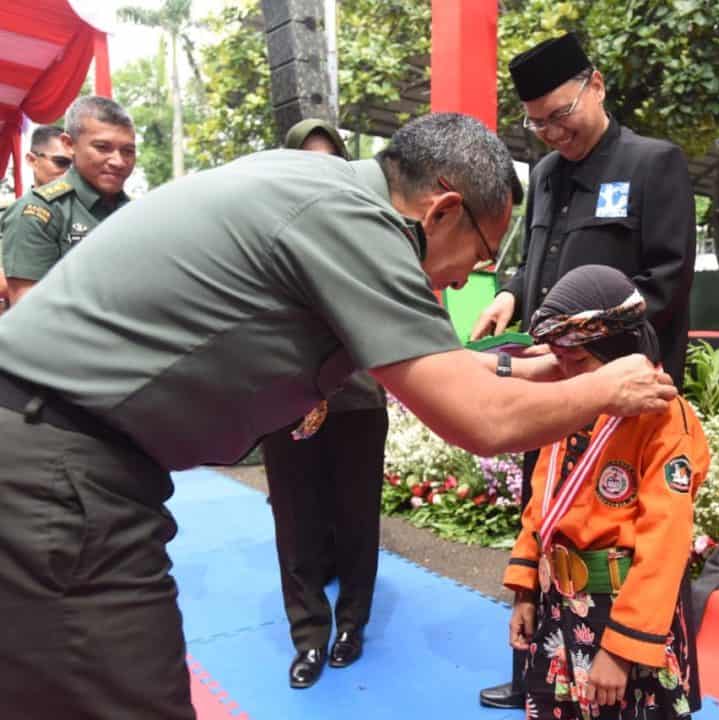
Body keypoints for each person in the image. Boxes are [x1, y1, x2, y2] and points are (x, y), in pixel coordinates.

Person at [0, 112, 675, 720]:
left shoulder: (323, 192)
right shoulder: (358, 224)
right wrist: (609, 388)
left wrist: (545, 369)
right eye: (481, 251)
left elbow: (446, 367)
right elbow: (480, 420)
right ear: (442, 212)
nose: (471, 276)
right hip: (57, 473)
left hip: (47, 454)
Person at [474, 32, 697, 710]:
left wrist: (578, 345)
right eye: (536, 122)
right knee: (546, 520)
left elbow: (664, 285)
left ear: (595, 85)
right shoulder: (544, 174)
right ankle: (536, 672)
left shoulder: (653, 163)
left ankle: (644, 671)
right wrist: (514, 292)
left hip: (623, 393)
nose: (550, 132)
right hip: (554, 384)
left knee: (636, 536)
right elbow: (541, 260)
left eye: (560, 114)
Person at [503, 265, 709, 720]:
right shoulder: (572, 401)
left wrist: (621, 649)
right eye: (559, 362)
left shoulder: (660, 416)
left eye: (578, 362)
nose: (567, 374)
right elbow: (542, 502)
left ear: (618, 349)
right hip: (560, 608)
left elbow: (665, 540)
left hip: (622, 615)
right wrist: (525, 590)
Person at [262, 117, 391, 689]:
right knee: (296, 521)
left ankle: (352, 625)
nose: (321, 171)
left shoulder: (368, 227)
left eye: (331, 159)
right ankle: (309, 635)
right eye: (307, 159)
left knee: (357, 517)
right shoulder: (263, 229)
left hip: (358, 398)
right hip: (285, 399)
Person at [2, 96, 135, 306]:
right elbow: (30, 311)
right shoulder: (38, 212)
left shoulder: (135, 214)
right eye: (102, 147)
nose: (118, 161)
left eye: (128, 151)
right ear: (69, 144)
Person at [0, 125, 73, 311]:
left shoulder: (85, 209)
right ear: (32, 161)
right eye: (61, 162)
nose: (70, 173)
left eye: (75, 165)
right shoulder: (23, 212)